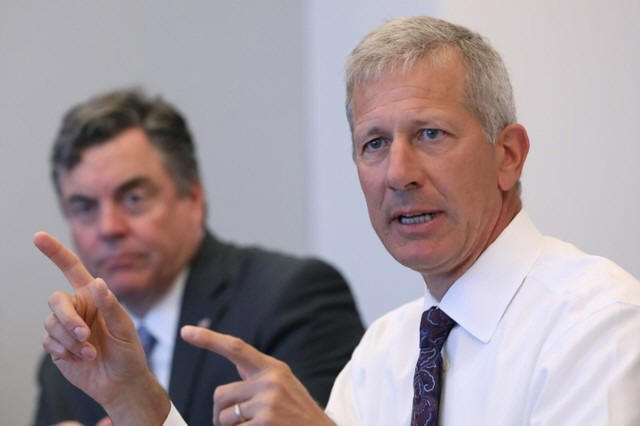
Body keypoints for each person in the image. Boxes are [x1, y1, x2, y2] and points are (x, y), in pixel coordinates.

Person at [37, 16, 640, 426]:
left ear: (508, 155)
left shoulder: (596, 323)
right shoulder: (385, 350)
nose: (397, 173)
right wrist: (135, 400)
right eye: (374, 143)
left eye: (430, 134)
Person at [33, 89, 364, 426]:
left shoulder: (293, 299)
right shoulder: (72, 355)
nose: (109, 227)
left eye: (133, 198)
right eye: (84, 207)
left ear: (193, 198)